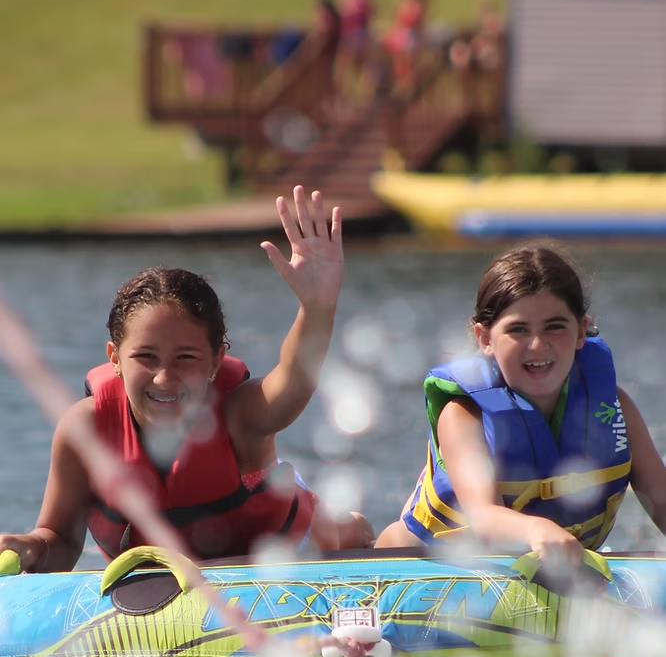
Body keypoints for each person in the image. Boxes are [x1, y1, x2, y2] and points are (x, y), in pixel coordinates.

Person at [0, 187, 374, 572]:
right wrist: (29, 547)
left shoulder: (239, 415)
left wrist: (317, 307)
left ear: (216, 361)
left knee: (338, 534)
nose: (165, 378)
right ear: (114, 358)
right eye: (146, 357)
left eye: (186, 359)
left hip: (288, 553)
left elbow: (293, 383)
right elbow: (59, 540)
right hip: (155, 584)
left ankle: (353, 530)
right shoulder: (83, 431)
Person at [375, 241, 666, 577]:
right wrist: (535, 530)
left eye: (555, 326)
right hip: (415, 568)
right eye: (518, 329)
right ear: (484, 338)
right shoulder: (462, 415)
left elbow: (660, 501)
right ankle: (352, 534)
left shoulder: (615, 409)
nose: (538, 345)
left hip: (549, 572)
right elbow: (482, 516)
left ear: (581, 331)